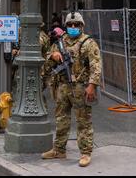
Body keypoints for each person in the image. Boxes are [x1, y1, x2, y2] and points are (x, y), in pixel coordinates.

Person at [41, 11, 102, 168]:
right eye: (70, 25)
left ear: (82, 26)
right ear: (66, 26)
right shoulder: (60, 41)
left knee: (83, 121)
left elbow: (96, 66)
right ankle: (59, 149)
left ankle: (86, 153)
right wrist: (53, 55)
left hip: (80, 87)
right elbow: (48, 57)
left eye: (76, 25)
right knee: (61, 118)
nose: (73, 27)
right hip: (62, 86)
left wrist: (92, 86)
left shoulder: (88, 42)